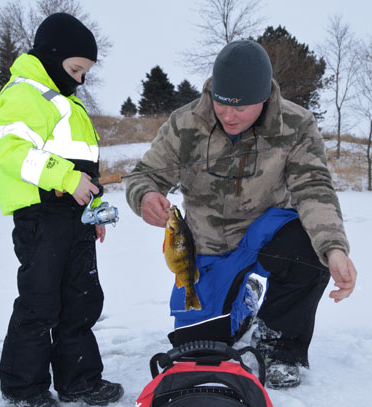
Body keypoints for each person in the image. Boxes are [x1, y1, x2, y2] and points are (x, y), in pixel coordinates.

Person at [125, 40, 357, 389]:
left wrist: (334, 247)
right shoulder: (186, 122)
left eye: (242, 108)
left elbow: (314, 188)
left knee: (310, 248)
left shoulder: (295, 124)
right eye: (221, 103)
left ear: (263, 99)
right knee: (200, 349)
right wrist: (145, 196)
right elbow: (144, 175)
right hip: (208, 247)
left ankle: (279, 347)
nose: (229, 116)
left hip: (265, 237)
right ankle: (239, 301)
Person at [0, 13, 123, 407]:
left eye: (85, 72)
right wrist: (64, 177)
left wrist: (95, 209)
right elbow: (11, 151)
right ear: (51, 56)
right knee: (40, 302)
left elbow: (86, 168)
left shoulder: (70, 104)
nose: (81, 79)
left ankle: (78, 380)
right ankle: (23, 387)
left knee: (81, 299)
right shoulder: (22, 94)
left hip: (75, 218)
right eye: (75, 69)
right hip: (41, 217)